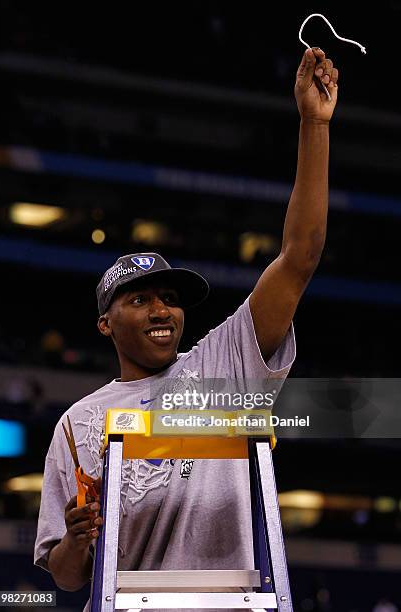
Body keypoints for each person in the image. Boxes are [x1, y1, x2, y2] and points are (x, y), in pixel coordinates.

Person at [34, 47, 339, 610]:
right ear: (105, 323)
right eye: (141, 300)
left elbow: (300, 256)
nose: (162, 311)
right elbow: (67, 575)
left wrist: (313, 124)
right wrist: (77, 541)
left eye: (171, 300)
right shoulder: (77, 425)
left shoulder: (222, 366)